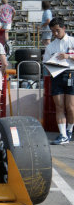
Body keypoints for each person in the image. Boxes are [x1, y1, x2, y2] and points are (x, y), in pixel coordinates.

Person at [43, 17, 74, 145]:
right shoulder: (51, 46)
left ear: (63, 28)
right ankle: (62, 135)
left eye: (57, 31)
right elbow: (45, 62)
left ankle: (69, 130)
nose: (55, 34)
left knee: (70, 107)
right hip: (56, 75)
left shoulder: (72, 41)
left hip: (71, 74)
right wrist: (51, 68)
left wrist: (68, 56)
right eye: (53, 31)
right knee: (59, 106)